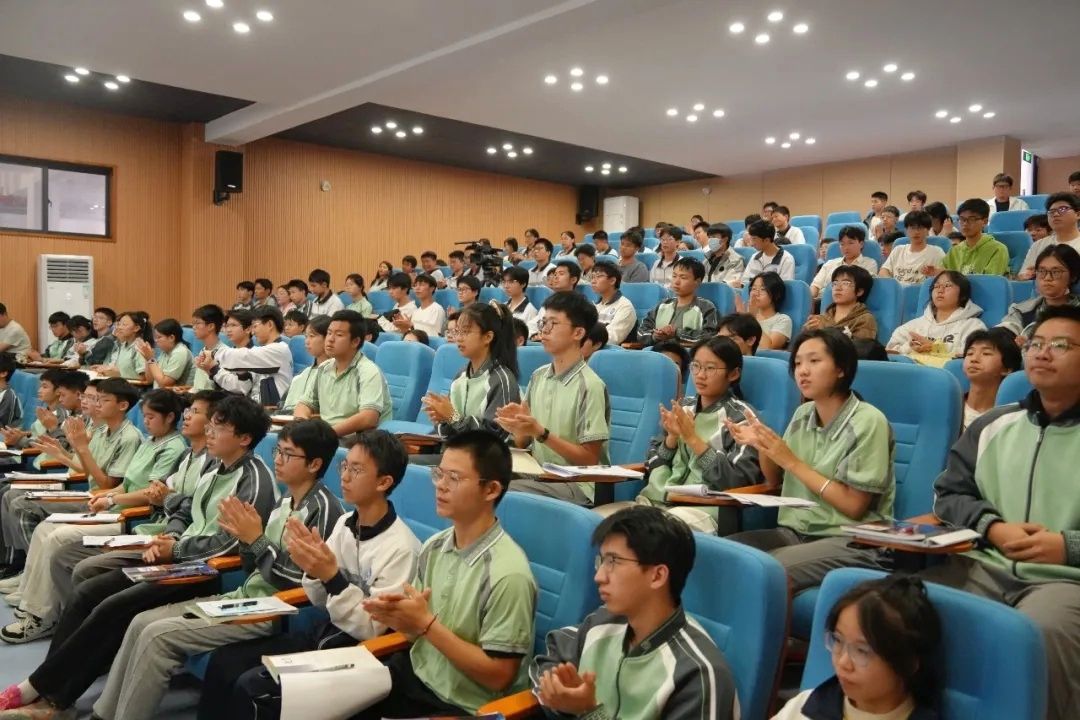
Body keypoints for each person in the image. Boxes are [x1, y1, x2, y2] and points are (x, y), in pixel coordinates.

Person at [0, 395, 277, 715]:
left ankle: (48, 695)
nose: (210, 433)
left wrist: (176, 548)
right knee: (89, 590)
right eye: (211, 425)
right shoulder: (215, 465)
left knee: (113, 607)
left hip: (208, 571)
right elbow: (185, 509)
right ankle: (50, 688)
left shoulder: (254, 480)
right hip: (178, 555)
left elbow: (231, 545)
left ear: (244, 438)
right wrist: (171, 536)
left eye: (220, 427)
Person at [89, 420, 346, 720]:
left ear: (314, 464)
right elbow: (253, 565)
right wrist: (246, 540)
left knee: (158, 637)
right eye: (278, 451)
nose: (277, 459)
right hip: (245, 596)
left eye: (288, 454)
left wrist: (256, 539)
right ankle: (103, 714)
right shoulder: (285, 500)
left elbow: (299, 581)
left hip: (273, 610)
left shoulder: (323, 509)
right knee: (140, 622)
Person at [194, 430, 420, 720]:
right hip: (326, 629)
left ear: (384, 482)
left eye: (356, 470)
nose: (345, 476)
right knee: (225, 661)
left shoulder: (402, 548)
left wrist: (331, 576)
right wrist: (313, 569)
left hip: (362, 651)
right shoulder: (345, 523)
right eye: (345, 466)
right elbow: (318, 598)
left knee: (254, 687)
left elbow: (370, 629)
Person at [925, 305, 1080, 720]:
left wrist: (1068, 546)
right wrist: (991, 528)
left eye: (1061, 345)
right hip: (982, 564)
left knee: (1038, 636)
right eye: (1036, 343)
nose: (1042, 353)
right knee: (892, 607)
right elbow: (948, 493)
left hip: (1064, 582)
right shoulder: (994, 424)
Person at [352, 430, 537, 718]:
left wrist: (425, 624)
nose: (440, 486)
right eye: (439, 474)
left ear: (491, 490)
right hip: (415, 678)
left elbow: (499, 676)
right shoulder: (434, 547)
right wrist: (398, 616)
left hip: (465, 706)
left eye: (454, 478)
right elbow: (413, 632)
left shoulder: (508, 575)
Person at [1, 388, 187, 644]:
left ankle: (43, 615)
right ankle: (32, 600)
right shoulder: (149, 441)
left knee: (57, 536)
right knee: (45, 528)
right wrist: (108, 494)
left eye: (151, 417)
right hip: (113, 505)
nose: (145, 422)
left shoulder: (170, 447)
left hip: (132, 518)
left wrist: (110, 498)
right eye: (144, 416)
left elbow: (149, 493)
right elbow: (124, 485)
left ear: (170, 417)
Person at [725, 329, 895, 594]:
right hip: (795, 533)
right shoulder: (803, 413)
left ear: (841, 368)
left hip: (851, 539)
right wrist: (763, 446)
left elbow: (854, 506)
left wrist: (791, 461)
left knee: (762, 572)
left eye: (814, 361)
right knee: (717, 556)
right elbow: (774, 479)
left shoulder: (869, 421)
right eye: (797, 363)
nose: (802, 371)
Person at [531, 506, 738, 720]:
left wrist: (588, 712)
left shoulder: (697, 674)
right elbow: (550, 657)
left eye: (613, 562)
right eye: (601, 561)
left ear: (657, 576)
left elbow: (585, 710)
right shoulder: (604, 620)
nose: (599, 576)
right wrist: (558, 690)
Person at [610, 338, 763, 533]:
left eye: (710, 368)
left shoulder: (742, 417)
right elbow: (653, 463)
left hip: (703, 508)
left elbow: (736, 481)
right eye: (696, 366)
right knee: (600, 524)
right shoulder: (683, 407)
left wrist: (693, 439)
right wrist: (671, 439)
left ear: (733, 374)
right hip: (657, 501)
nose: (700, 375)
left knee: (648, 535)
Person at [773, 575, 942, 720]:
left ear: (908, 662)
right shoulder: (804, 706)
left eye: (861, 651)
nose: (843, 663)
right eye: (838, 640)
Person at [498, 293, 611, 506]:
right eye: (543, 322)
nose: (544, 330)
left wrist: (541, 433)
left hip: (579, 484)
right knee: (476, 476)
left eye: (554, 323)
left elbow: (589, 459)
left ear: (578, 333)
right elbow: (523, 442)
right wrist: (518, 427)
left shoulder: (590, 386)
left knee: (499, 492)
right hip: (540, 474)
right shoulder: (539, 375)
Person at [423, 303, 520, 441]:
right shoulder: (460, 375)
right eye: (457, 331)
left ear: (488, 337)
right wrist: (443, 419)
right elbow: (452, 427)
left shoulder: (502, 379)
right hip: (457, 448)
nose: (458, 338)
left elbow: (493, 437)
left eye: (466, 332)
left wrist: (452, 417)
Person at [295, 310, 392, 438]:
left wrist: (326, 436)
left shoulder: (368, 371)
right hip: (329, 437)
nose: (330, 339)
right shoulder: (324, 368)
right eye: (329, 333)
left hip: (358, 440)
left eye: (339, 335)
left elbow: (369, 418)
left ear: (355, 341)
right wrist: (302, 426)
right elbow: (304, 404)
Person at [201, 306, 293, 406]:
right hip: (258, 407)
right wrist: (212, 367)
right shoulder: (266, 350)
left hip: (274, 410)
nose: (253, 332)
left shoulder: (279, 350)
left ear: (270, 325)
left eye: (255, 326)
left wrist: (214, 354)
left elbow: (243, 356)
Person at [887, 271, 986, 362]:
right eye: (936, 286)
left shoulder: (973, 326)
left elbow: (975, 356)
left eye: (947, 285)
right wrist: (910, 348)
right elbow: (889, 354)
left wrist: (936, 348)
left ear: (962, 294)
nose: (940, 290)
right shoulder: (912, 327)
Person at [1000, 244, 1080, 342]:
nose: (1047, 278)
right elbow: (1002, 334)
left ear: (1073, 276)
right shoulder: (1022, 311)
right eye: (1042, 271)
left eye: (1056, 272)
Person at [638, 258, 718, 346]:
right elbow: (641, 332)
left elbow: (710, 336)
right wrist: (655, 336)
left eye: (683, 277)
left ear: (697, 282)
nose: (676, 282)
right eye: (674, 276)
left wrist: (677, 333)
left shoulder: (706, 307)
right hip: (657, 351)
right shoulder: (662, 305)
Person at [960, 329, 1023, 431]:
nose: (974, 359)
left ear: (1007, 369)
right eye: (970, 353)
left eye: (986, 353)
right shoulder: (949, 405)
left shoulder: (1010, 420)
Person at [932, 199, 1009, 276]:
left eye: (972, 219)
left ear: (985, 222)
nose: (965, 223)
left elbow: (990, 281)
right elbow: (942, 277)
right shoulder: (954, 251)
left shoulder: (998, 249)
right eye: (962, 219)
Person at [805, 266, 879, 341]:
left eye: (845, 283)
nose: (837, 288)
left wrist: (824, 332)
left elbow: (862, 347)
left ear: (859, 291)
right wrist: (806, 332)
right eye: (835, 283)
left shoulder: (865, 320)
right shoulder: (820, 319)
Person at [1019, 192, 1080, 278]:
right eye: (1051, 211)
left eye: (1063, 209)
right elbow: (1022, 276)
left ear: (1078, 214)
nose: (1055, 214)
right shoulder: (1038, 245)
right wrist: (1028, 275)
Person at [810, 225, 879, 300]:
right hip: (820, 301)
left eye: (850, 243)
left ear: (861, 244)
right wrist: (810, 299)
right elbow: (815, 286)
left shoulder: (869, 263)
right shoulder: (830, 263)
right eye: (842, 244)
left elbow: (863, 287)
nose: (846, 247)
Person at [280, 315, 331, 414]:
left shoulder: (333, 373)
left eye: (312, 336)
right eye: (306, 336)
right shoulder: (302, 374)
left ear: (328, 338)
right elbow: (283, 404)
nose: (307, 341)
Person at [879, 210, 946, 286]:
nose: (916, 232)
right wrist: (892, 284)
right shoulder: (898, 250)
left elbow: (947, 275)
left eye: (920, 228)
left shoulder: (936, 252)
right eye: (912, 228)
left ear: (928, 230)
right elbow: (883, 270)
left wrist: (936, 272)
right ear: (906, 230)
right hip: (897, 291)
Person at [136, 318, 195, 388]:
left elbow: (164, 384)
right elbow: (150, 380)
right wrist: (147, 359)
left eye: (159, 337)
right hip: (160, 392)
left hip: (175, 394)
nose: (156, 340)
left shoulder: (180, 352)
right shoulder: (165, 352)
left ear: (171, 338)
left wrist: (150, 359)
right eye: (155, 337)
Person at [91, 310, 150, 381]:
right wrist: (106, 369)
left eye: (124, 325)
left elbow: (144, 378)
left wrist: (117, 374)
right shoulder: (123, 346)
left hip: (131, 386)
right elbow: (118, 370)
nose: (119, 327)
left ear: (136, 328)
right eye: (119, 324)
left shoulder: (141, 347)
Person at [591, 263, 637, 346]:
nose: (593, 281)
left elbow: (612, 338)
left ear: (612, 280)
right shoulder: (593, 306)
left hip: (608, 351)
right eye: (592, 277)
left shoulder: (625, 306)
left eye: (599, 276)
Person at [740, 219, 796, 287]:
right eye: (751, 238)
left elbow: (784, 287)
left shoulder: (786, 259)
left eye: (754, 239)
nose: (751, 243)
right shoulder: (754, 257)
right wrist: (741, 285)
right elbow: (745, 282)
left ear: (766, 240)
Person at [746, 271, 793, 350]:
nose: (756, 294)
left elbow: (769, 348)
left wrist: (752, 319)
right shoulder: (744, 317)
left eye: (762, 289)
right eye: (753, 289)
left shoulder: (782, 320)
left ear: (777, 295)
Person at [395, 274, 446, 338]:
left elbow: (433, 335)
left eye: (421, 285)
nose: (417, 288)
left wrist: (411, 325)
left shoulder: (437, 309)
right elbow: (411, 334)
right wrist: (403, 328)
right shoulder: (416, 312)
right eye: (415, 285)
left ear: (432, 288)